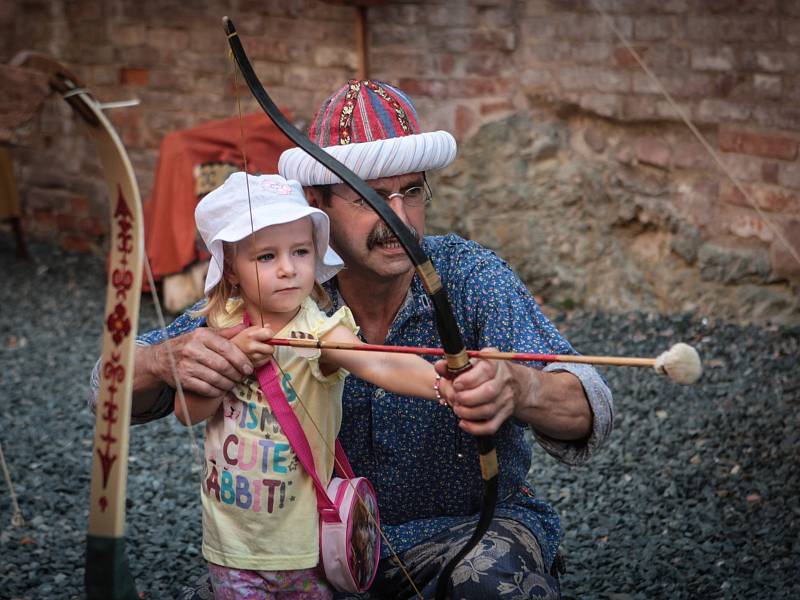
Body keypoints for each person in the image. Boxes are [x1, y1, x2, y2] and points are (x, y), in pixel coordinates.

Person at [90, 80, 613, 599]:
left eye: (411, 191)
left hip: (465, 536)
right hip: (313, 553)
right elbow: (106, 386)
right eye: (371, 197)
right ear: (317, 203)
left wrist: (520, 389)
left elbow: (589, 403)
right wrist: (162, 362)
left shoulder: (468, 273)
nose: (399, 217)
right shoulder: (285, 283)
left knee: (493, 583)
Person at [179, 171, 457, 599]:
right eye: (266, 257)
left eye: (301, 251)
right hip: (231, 545)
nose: (289, 268)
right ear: (231, 270)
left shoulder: (318, 331)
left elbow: (379, 363)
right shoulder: (218, 327)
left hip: (304, 547)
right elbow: (189, 412)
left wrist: (446, 383)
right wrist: (231, 362)